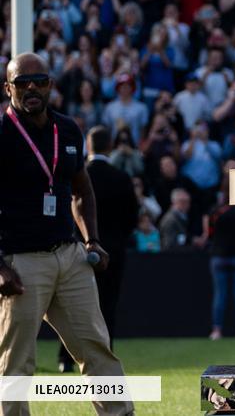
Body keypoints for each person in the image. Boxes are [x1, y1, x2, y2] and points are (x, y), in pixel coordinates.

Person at [0, 53, 134, 416]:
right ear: (7, 88)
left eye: (39, 81)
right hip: (22, 261)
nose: (31, 88)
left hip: (69, 254)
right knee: (17, 360)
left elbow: (82, 191)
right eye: (22, 82)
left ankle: (120, 413)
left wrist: (91, 239)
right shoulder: (2, 133)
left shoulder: (68, 129)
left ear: (50, 86)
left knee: (96, 347)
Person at [57, 125, 140, 373]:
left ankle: (66, 358)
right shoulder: (121, 177)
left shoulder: (76, 175)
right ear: (110, 147)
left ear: (88, 147)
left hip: (77, 247)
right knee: (107, 305)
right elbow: (132, 218)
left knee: (71, 307)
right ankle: (106, 357)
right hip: (113, 250)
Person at [197, 160, 235, 340]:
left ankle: (216, 330)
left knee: (220, 295)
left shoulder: (216, 211)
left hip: (219, 256)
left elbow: (207, 232)